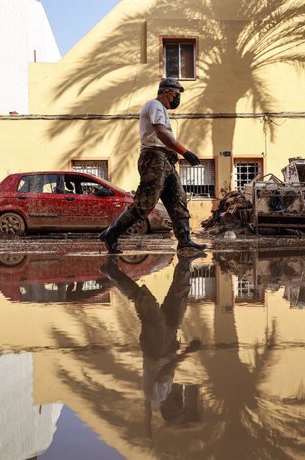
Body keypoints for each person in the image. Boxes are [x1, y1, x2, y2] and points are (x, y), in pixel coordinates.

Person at [99, 78, 206, 254]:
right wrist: (185, 152)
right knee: (144, 203)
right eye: (177, 94)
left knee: (178, 200)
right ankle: (112, 234)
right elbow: (162, 133)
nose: (178, 99)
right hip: (154, 158)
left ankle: (185, 240)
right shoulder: (155, 106)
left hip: (165, 160)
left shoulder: (160, 109)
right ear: (167, 92)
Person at [99, 254, 203, 436]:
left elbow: (164, 370)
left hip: (156, 345)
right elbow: (166, 368)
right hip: (164, 344)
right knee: (178, 299)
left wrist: (187, 352)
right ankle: (185, 262)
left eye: (179, 408)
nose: (181, 403)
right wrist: (175, 350)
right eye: (182, 407)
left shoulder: (157, 397)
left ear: (169, 410)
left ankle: (111, 271)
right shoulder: (164, 395)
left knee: (144, 301)